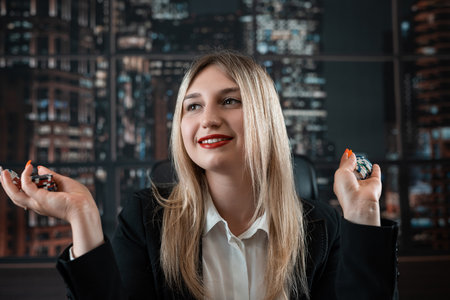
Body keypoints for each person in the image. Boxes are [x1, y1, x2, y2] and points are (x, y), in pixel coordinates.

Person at [0, 50, 398, 300]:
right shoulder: (145, 218)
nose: (207, 118)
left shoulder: (321, 227)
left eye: (229, 101)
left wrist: (363, 213)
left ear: (265, 117)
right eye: (192, 107)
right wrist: (82, 215)